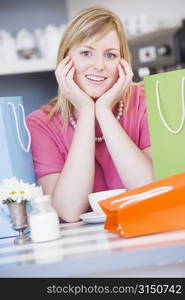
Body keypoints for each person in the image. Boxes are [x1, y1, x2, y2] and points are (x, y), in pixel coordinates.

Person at [26, 6, 154, 222]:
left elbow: (150, 191)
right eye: (86, 53)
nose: (99, 66)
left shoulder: (145, 101)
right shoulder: (41, 123)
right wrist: (86, 111)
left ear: (122, 63)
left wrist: (103, 111)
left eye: (110, 55)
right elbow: (68, 211)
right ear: (65, 60)